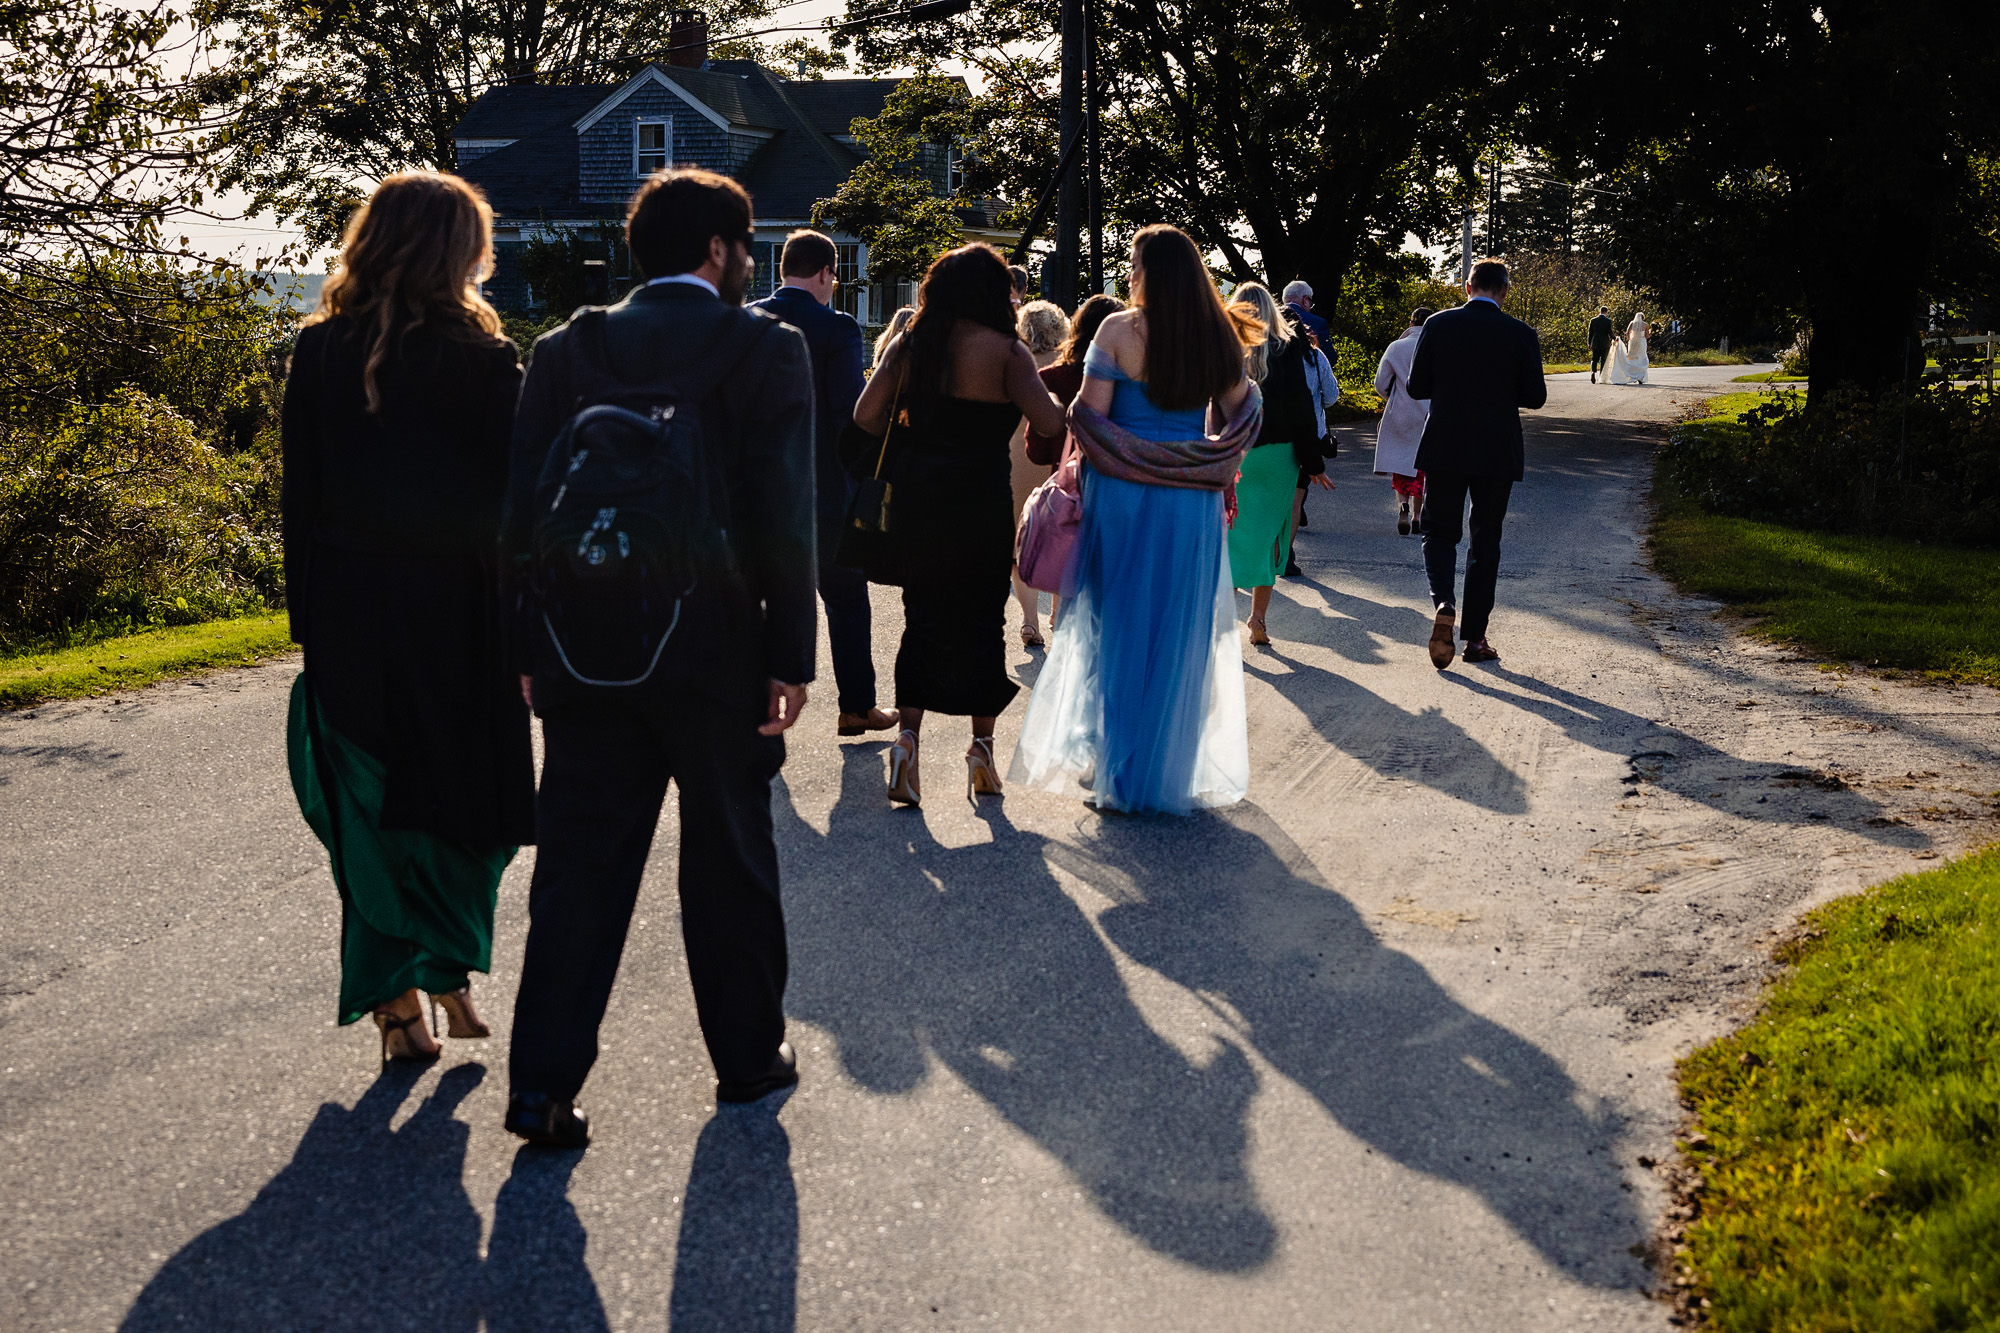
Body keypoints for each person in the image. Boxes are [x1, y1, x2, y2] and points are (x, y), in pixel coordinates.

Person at [501, 168, 817, 1147]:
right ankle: (745, 1060)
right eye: (744, 246)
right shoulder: (765, 348)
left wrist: (525, 645)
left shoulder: (565, 348)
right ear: (719, 252)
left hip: (580, 648)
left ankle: (541, 1086)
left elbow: (519, 513)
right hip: (712, 647)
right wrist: (790, 657)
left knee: (579, 868)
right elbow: (784, 514)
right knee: (727, 853)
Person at [280, 170, 535, 1064]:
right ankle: (431, 981)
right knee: (469, 799)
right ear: (457, 250)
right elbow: (521, 505)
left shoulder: (317, 352)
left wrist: (306, 623)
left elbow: (298, 498)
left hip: (353, 607)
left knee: (375, 812)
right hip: (463, 610)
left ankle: (412, 990)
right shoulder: (486, 359)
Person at [1010, 224, 1263, 814]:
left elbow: (1090, 420)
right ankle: (1164, 768)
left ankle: (1116, 770)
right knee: (1177, 632)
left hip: (1124, 497)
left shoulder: (1118, 330)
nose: (1127, 273)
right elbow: (1243, 411)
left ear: (1148, 271)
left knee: (1116, 626)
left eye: (1132, 262)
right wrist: (1207, 460)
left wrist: (1134, 455)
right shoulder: (1216, 336)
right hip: (1190, 504)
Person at [853, 243, 1066, 807]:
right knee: (981, 619)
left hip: (920, 498)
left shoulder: (911, 344)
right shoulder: (1006, 351)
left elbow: (864, 415)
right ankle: (981, 750)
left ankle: (906, 740)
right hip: (980, 499)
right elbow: (1048, 420)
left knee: (920, 617)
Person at [751, 229, 898, 737]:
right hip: (822, 482)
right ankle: (856, 706)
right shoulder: (838, 328)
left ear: (782, 268)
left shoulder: (746, 320)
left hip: (754, 484)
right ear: (826, 273)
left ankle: (757, 705)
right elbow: (852, 412)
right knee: (845, 597)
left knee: (755, 595)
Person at [1407, 258, 1546, 670]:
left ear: (1467, 287)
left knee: (1438, 530)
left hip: (1445, 445)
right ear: (1504, 290)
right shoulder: (1521, 333)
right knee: (1485, 540)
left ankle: (1444, 602)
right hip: (1497, 450)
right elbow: (1535, 397)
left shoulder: (1438, 324)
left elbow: (1416, 386)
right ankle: (1476, 638)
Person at [1226, 283, 1331, 645]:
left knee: (1231, 532)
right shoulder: (1286, 349)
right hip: (1278, 455)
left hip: (1235, 451)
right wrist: (1313, 463)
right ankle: (1258, 620)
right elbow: (1302, 407)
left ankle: (1223, 618)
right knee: (1271, 534)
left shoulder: (1222, 349)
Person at [1010, 299, 1071, 646]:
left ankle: (1029, 620)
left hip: (1018, 456)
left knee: (1020, 544)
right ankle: (1057, 612)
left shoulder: (1015, 363)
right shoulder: (1066, 366)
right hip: (1056, 461)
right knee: (1061, 536)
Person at [1373, 306, 1436, 536]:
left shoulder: (1396, 347)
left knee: (1401, 465)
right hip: (1429, 412)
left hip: (1401, 412)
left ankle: (1403, 505)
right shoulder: (1437, 347)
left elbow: (1380, 383)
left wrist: (1392, 396)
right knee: (1422, 466)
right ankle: (1418, 517)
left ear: (1410, 324)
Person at [1281, 279, 1332, 350]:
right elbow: (1330, 356)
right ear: (1305, 300)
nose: (1310, 308)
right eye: (1310, 303)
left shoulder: (1269, 318)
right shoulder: (1318, 323)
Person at [1607, 311, 1652, 385]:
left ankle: (1632, 375)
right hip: (1641, 343)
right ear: (1643, 318)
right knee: (1642, 358)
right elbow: (1646, 336)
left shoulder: (1632, 323)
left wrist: (1629, 339)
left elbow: (1627, 332)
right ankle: (1640, 377)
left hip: (1633, 342)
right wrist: (1650, 333)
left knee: (1631, 358)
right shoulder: (1646, 325)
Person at [1587, 305, 1615, 383]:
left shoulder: (1593, 320)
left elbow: (1590, 333)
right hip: (1605, 343)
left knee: (1594, 359)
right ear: (1606, 312)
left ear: (1600, 311)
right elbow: (1610, 332)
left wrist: (1589, 343)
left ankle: (1593, 372)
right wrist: (1614, 338)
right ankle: (1601, 376)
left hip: (1595, 342)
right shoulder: (1608, 321)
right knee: (1603, 360)